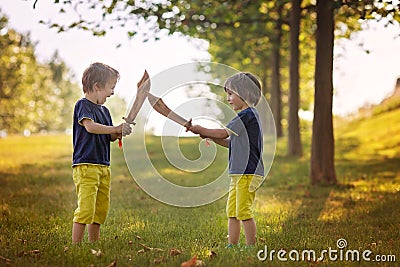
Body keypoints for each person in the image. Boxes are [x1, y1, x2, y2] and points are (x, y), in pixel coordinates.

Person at [189, 72, 264, 248]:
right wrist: (209, 136)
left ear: (244, 93)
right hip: (238, 173)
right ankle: (232, 244)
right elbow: (230, 142)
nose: (228, 98)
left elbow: (222, 132)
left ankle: (250, 246)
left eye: (231, 94)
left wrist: (203, 129)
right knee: (232, 211)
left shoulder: (248, 115)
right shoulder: (245, 116)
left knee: (243, 211)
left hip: (248, 172)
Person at [71, 62, 132, 243]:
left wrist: (118, 132)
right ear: (97, 86)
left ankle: (93, 243)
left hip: (103, 165)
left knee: (100, 208)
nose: (112, 92)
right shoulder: (83, 105)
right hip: (86, 165)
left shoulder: (104, 111)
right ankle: (76, 245)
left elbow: (109, 136)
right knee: (86, 208)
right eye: (111, 88)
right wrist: (114, 127)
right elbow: (90, 128)